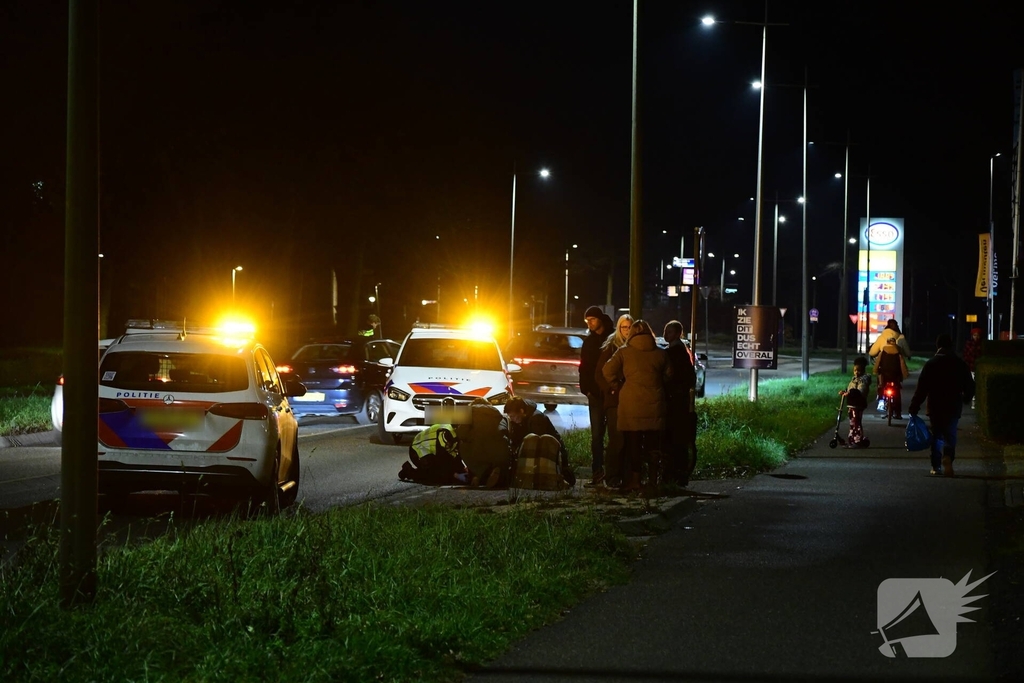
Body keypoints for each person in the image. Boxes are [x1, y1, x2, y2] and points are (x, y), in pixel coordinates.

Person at [602, 319, 671, 493]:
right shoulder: (660, 353)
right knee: (653, 444)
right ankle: (654, 480)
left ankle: (635, 480)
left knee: (633, 444)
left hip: (631, 403)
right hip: (655, 403)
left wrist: (616, 385)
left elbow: (607, 370)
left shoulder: (624, 352)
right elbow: (670, 375)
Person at [908, 333, 975, 477]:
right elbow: (969, 384)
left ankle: (936, 465)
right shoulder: (959, 364)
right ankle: (948, 457)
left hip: (935, 406)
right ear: (950, 345)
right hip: (953, 405)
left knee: (937, 435)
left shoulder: (931, 364)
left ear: (937, 346)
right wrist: (966, 398)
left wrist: (914, 406)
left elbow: (922, 388)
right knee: (950, 435)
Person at [591, 314, 633, 488]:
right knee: (617, 438)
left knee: (629, 439)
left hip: (629, 400)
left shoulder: (634, 347)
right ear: (618, 328)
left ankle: (626, 475)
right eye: (623, 327)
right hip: (614, 400)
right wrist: (611, 388)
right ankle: (612, 476)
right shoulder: (611, 346)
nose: (627, 330)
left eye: (629, 327)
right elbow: (600, 373)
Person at [503, 396, 576, 487]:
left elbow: (535, 444)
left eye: (513, 416)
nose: (512, 419)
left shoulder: (537, 418)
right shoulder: (518, 421)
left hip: (550, 452)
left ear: (521, 411)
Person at [579, 306, 615, 485]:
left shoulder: (612, 338)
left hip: (612, 394)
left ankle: (614, 473)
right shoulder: (589, 341)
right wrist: (586, 389)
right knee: (596, 436)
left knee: (615, 435)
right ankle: (597, 473)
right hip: (595, 394)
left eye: (592, 319)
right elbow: (584, 367)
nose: (590, 323)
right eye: (587, 321)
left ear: (600, 319)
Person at [661, 320, 697, 485]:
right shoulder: (682, 350)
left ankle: (675, 473)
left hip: (675, 401)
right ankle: (679, 473)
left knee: (673, 438)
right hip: (680, 400)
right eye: (665, 331)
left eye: (669, 332)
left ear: (677, 334)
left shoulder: (674, 352)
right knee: (679, 439)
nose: (665, 334)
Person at [869, 319, 911, 410]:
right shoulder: (901, 337)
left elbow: (872, 353)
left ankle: (880, 400)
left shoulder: (881, 337)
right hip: (896, 370)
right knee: (897, 388)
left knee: (880, 383)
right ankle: (898, 412)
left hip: (884, 370)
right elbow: (908, 353)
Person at [839, 356, 872, 448]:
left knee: (856, 422)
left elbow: (861, 391)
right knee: (852, 422)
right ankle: (852, 439)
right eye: (855, 370)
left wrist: (850, 393)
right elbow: (850, 388)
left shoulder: (863, 380)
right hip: (851, 404)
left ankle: (857, 440)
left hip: (858, 404)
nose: (856, 372)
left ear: (863, 371)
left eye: (859, 371)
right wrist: (845, 392)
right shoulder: (853, 380)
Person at [873, 336, 909, 419]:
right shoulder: (898, 352)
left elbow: (877, 362)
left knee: (881, 387)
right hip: (895, 375)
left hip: (884, 375)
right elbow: (902, 364)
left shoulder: (883, 352)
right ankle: (898, 413)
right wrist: (905, 374)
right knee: (897, 393)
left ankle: (881, 402)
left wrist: (875, 370)